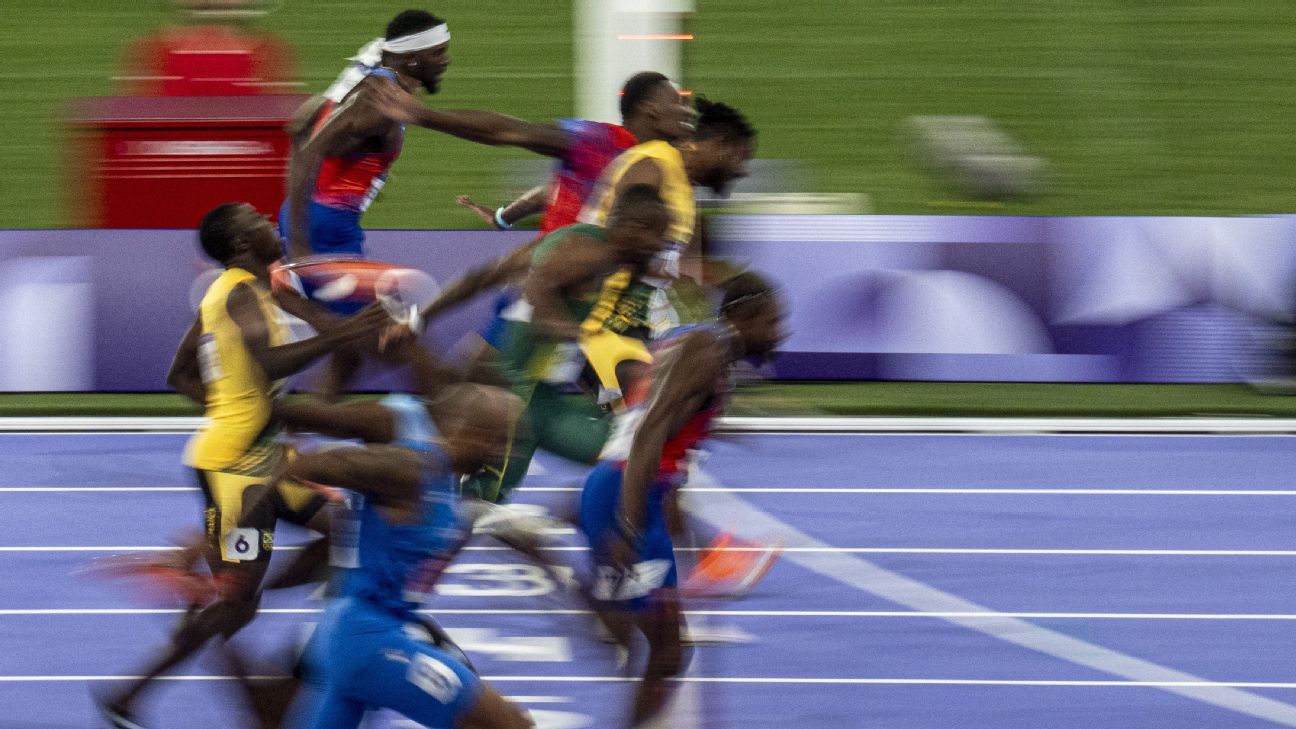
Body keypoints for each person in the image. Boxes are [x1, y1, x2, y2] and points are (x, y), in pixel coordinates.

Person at [96, 203, 389, 729]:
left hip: (264, 457)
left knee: (345, 532)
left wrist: (238, 405)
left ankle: (223, 588)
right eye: (255, 218)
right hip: (232, 468)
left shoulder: (252, 289)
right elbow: (270, 364)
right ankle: (126, 697)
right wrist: (241, 413)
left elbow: (178, 373)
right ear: (238, 244)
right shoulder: (234, 291)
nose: (267, 221)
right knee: (237, 608)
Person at [579, 272, 786, 727]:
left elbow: (655, 421)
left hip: (631, 490)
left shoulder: (696, 344)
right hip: (625, 491)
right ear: (745, 317)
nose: (780, 333)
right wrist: (630, 525)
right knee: (667, 650)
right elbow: (651, 430)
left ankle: (582, 589)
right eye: (772, 322)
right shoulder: (707, 351)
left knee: (647, 643)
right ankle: (567, 581)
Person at [273, 384, 532, 729]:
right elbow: (305, 465)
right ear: (473, 433)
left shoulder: (446, 483)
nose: (504, 454)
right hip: (367, 639)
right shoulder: (411, 467)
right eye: (499, 440)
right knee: (508, 724)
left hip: (364, 634)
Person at [460, 184, 671, 505]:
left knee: (625, 459)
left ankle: (568, 520)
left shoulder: (615, 272)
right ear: (632, 226)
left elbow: (585, 360)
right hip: (517, 404)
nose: (661, 245)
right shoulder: (582, 254)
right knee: (478, 500)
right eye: (657, 234)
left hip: (546, 404)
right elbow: (527, 291)